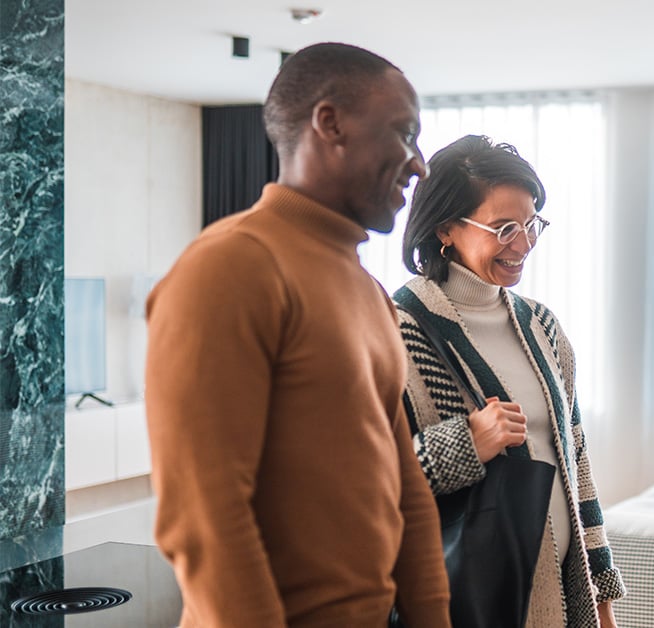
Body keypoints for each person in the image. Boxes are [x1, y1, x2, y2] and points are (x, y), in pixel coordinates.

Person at [144, 43, 451, 627]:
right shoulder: (230, 267)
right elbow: (205, 516)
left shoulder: (370, 294)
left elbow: (405, 486)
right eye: (404, 134)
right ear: (329, 122)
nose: (420, 165)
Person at [393, 134, 626, 628]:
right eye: (503, 229)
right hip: (464, 605)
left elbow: (577, 465)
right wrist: (465, 444)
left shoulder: (543, 326)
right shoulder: (396, 331)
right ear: (445, 229)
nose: (524, 245)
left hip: (563, 600)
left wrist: (602, 599)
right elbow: (367, 484)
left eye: (531, 224)